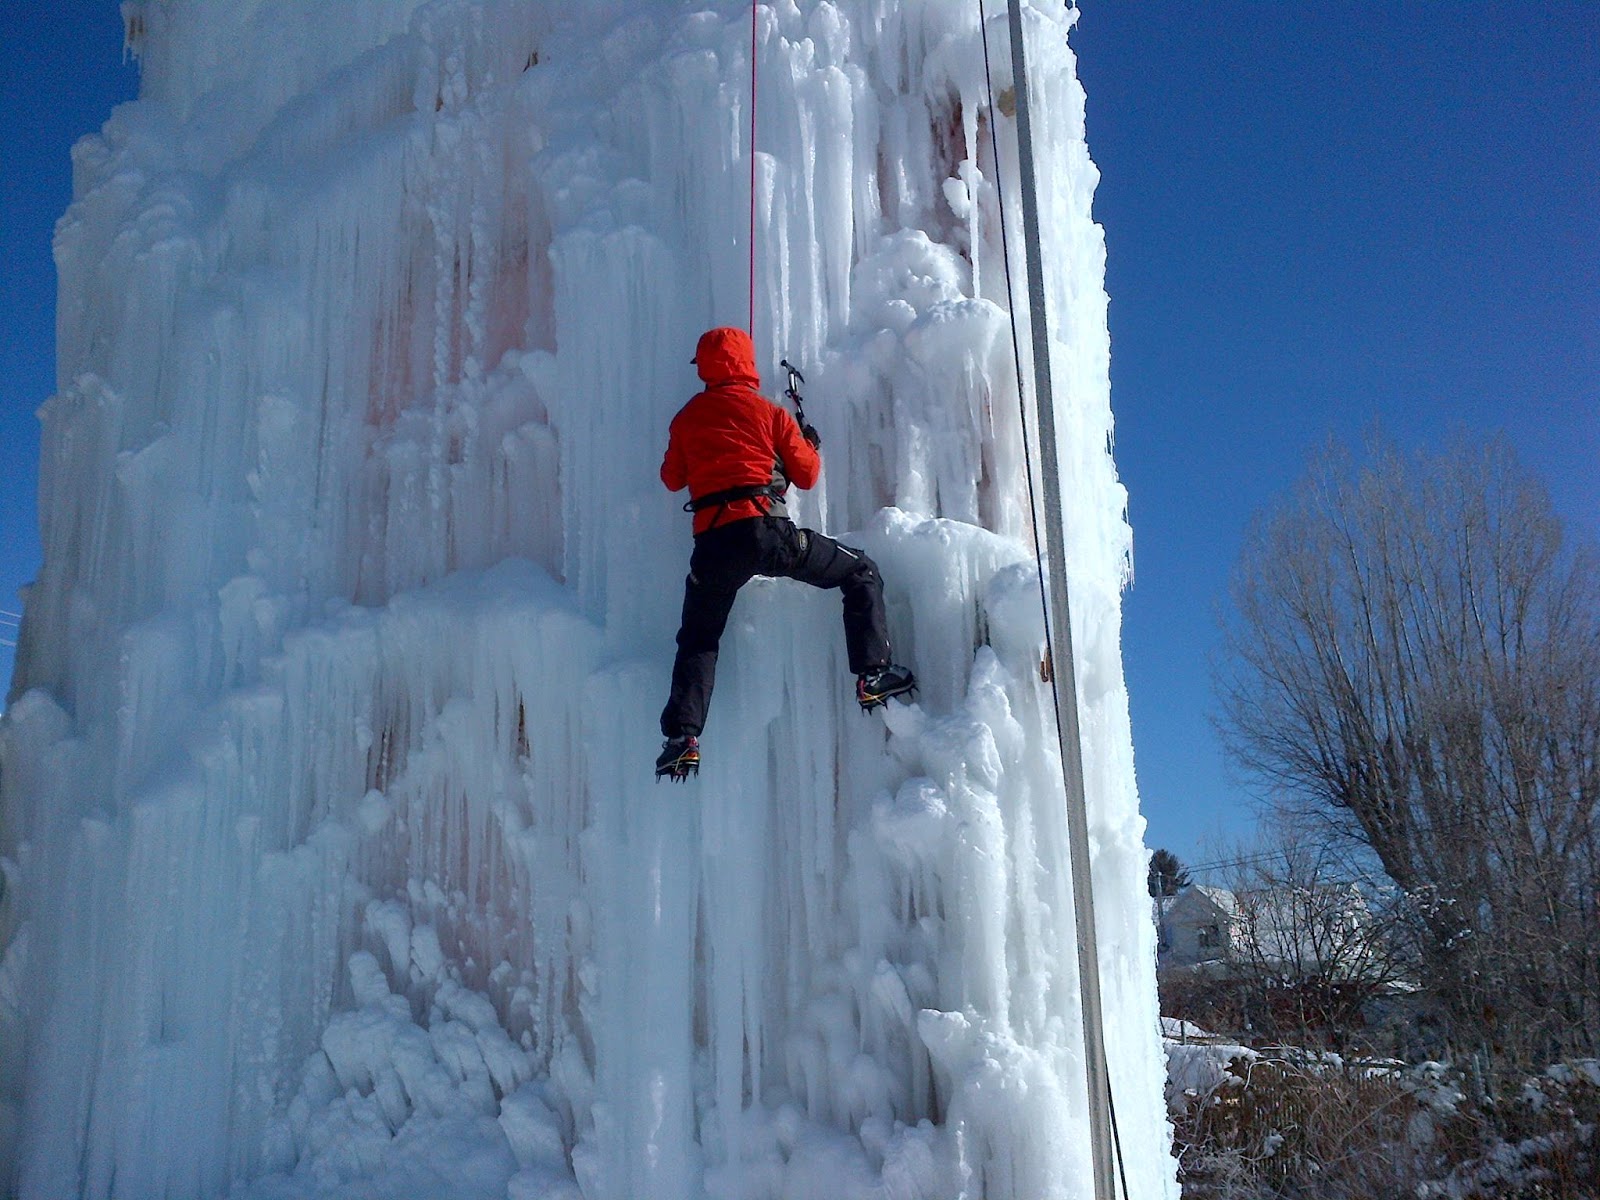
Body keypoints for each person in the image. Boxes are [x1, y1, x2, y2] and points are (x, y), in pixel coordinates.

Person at [655, 326, 916, 780]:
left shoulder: (687, 419)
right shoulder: (771, 413)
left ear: (707, 368)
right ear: (747, 363)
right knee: (860, 571)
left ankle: (683, 739)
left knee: (699, 638)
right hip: (766, 534)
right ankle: (873, 674)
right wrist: (807, 441)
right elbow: (808, 475)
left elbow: (672, 479)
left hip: (713, 546)